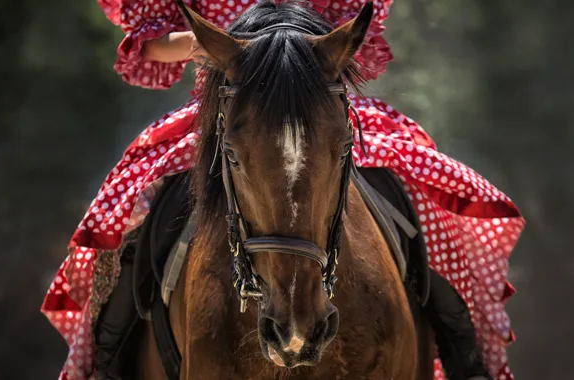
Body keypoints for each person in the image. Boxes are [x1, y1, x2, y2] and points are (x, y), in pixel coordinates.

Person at [41, 0, 525, 379]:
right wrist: (211, 45)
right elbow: (148, 43)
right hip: (232, 108)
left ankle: (466, 360)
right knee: (134, 213)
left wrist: (300, 51)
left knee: (421, 196)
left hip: (313, 102)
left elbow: (355, 29)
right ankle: (108, 362)